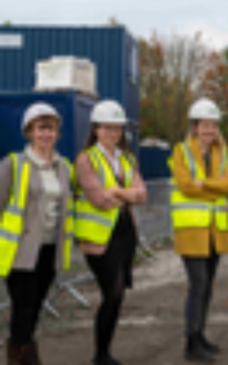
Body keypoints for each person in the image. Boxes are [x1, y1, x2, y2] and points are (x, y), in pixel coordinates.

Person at [0, 103, 74, 365]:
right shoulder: (13, 164)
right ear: (29, 131)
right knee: (24, 307)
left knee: (36, 307)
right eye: (41, 128)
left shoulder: (64, 167)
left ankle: (19, 352)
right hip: (21, 251)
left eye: (51, 128)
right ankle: (25, 356)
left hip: (50, 249)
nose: (46, 134)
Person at [75, 100, 147, 365]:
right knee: (112, 293)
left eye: (117, 129)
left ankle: (104, 352)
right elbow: (98, 199)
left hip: (125, 235)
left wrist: (117, 193)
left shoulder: (127, 158)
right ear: (96, 129)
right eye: (107, 128)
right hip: (99, 239)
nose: (113, 133)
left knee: (118, 296)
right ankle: (101, 355)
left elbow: (142, 195)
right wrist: (124, 195)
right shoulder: (86, 159)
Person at [170, 98, 228, 362]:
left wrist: (205, 185)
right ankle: (190, 341)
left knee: (207, 286)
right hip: (191, 231)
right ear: (195, 127)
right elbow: (186, 185)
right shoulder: (181, 151)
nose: (209, 130)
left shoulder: (222, 152)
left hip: (213, 231)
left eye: (213, 125)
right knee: (198, 284)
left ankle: (200, 335)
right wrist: (214, 186)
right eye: (204, 125)